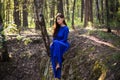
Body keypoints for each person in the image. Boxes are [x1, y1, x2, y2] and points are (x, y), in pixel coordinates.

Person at [50, 13, 70, 79]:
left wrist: (56, 42)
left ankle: (58, 63)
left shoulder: (66, 28)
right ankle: (57, 72)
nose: (58, 21)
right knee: (52, 46)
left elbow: (64, 39)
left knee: (56, 43)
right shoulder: (57, 28)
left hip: (64, 44)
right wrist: (54, 43)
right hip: (57, 44)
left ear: (63, 19)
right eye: (57, 19)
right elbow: (54, 38)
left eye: (59, 19)